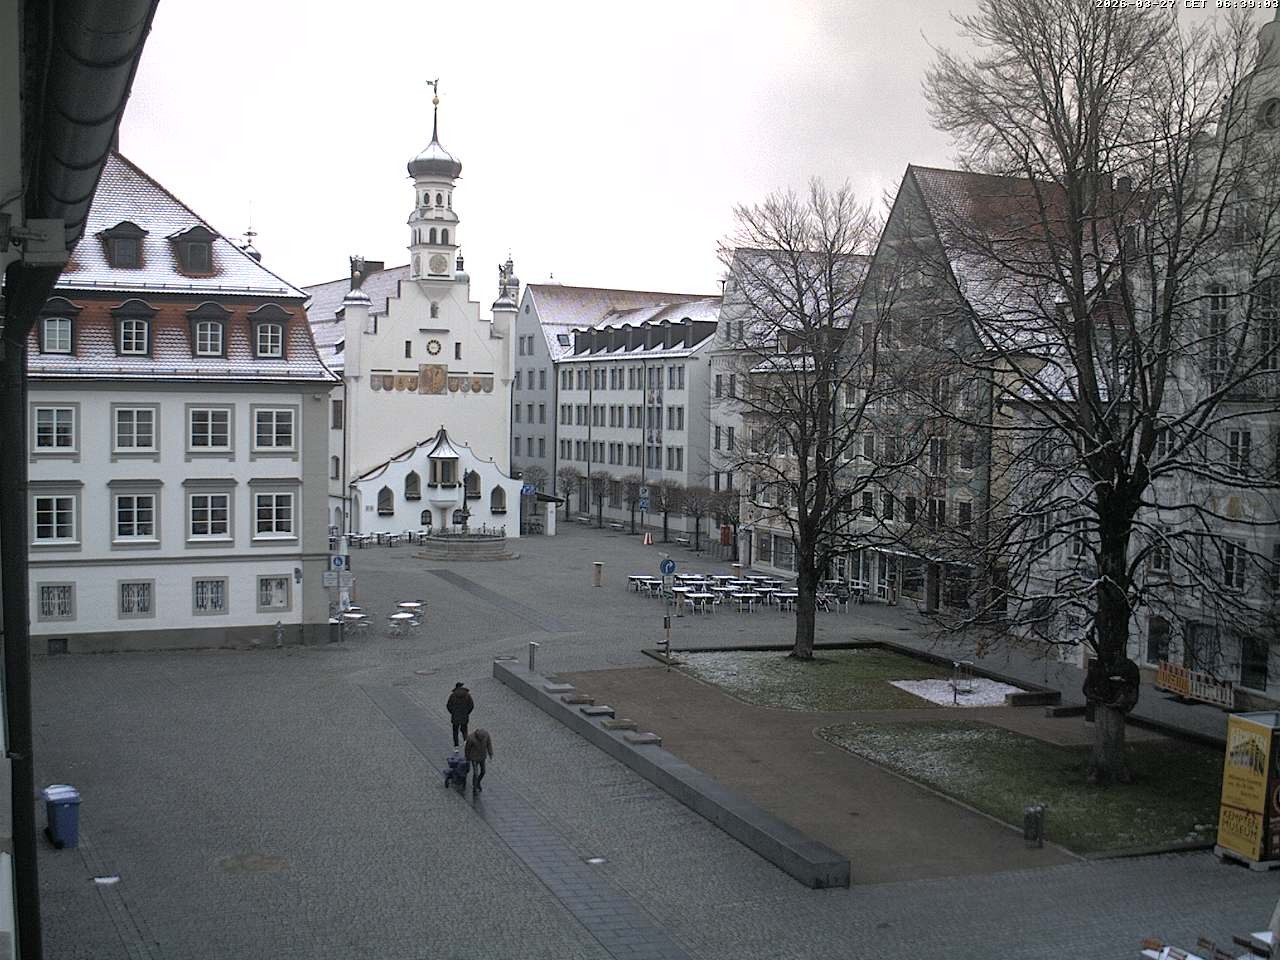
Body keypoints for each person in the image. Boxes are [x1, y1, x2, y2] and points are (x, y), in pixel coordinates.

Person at [464, 728, 493, 793]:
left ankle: (478, 782)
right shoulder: (471, 738)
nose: (481, 740)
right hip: (474, 758)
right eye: (480, 739)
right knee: (476, 773)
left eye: (482, 739)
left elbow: (489, 744)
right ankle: (474, 787)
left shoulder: (486, 735)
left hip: (482, 757)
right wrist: (467, 757)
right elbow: (467, 749)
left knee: (483, 771)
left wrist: (490, 753)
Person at [446, 682, 474, 747]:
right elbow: (471, 706)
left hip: (455, 717)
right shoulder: (467, 695)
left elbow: (448, 706)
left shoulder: (452, 696)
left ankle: (456, 746)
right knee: (464, 730)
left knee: (455, 731)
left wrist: (453, 712)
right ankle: (465, 742)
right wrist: (467, 713)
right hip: (464, 716)